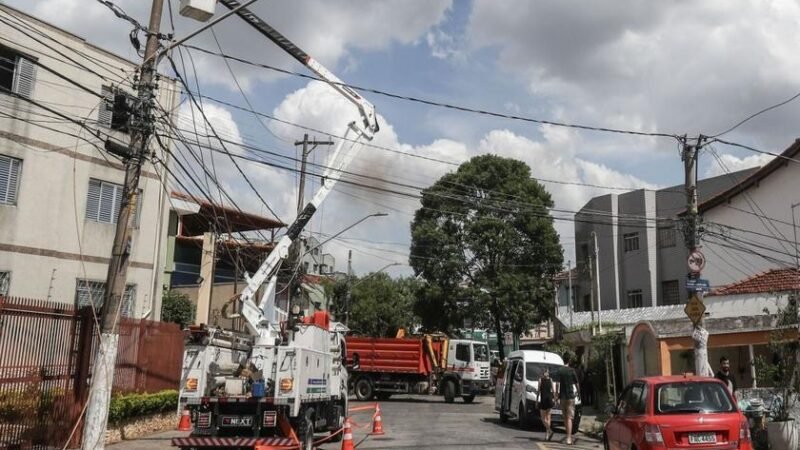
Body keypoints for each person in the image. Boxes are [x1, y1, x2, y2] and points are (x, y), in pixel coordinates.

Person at [555, 354, 580, 445]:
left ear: (563, 360)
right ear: (569, 360)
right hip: (570, 396)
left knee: (565, 417)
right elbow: (577, 384)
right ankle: (569, 438)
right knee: (570, 418)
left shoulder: (560, 371)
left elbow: (557, 384)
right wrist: (578, 393)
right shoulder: (571, 371)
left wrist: (556, 395)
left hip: (562, 397)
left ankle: (567, 434)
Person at [537, 369, 555, 441]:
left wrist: (536, 400)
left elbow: (538, 391)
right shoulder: (551, 379)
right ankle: (547, 436)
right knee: (548, 418)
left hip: (543, 400)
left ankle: (550, 431)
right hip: (549, 399)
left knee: (543, 418)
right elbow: (553, 390)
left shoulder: (540, 380)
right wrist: (554, 399)